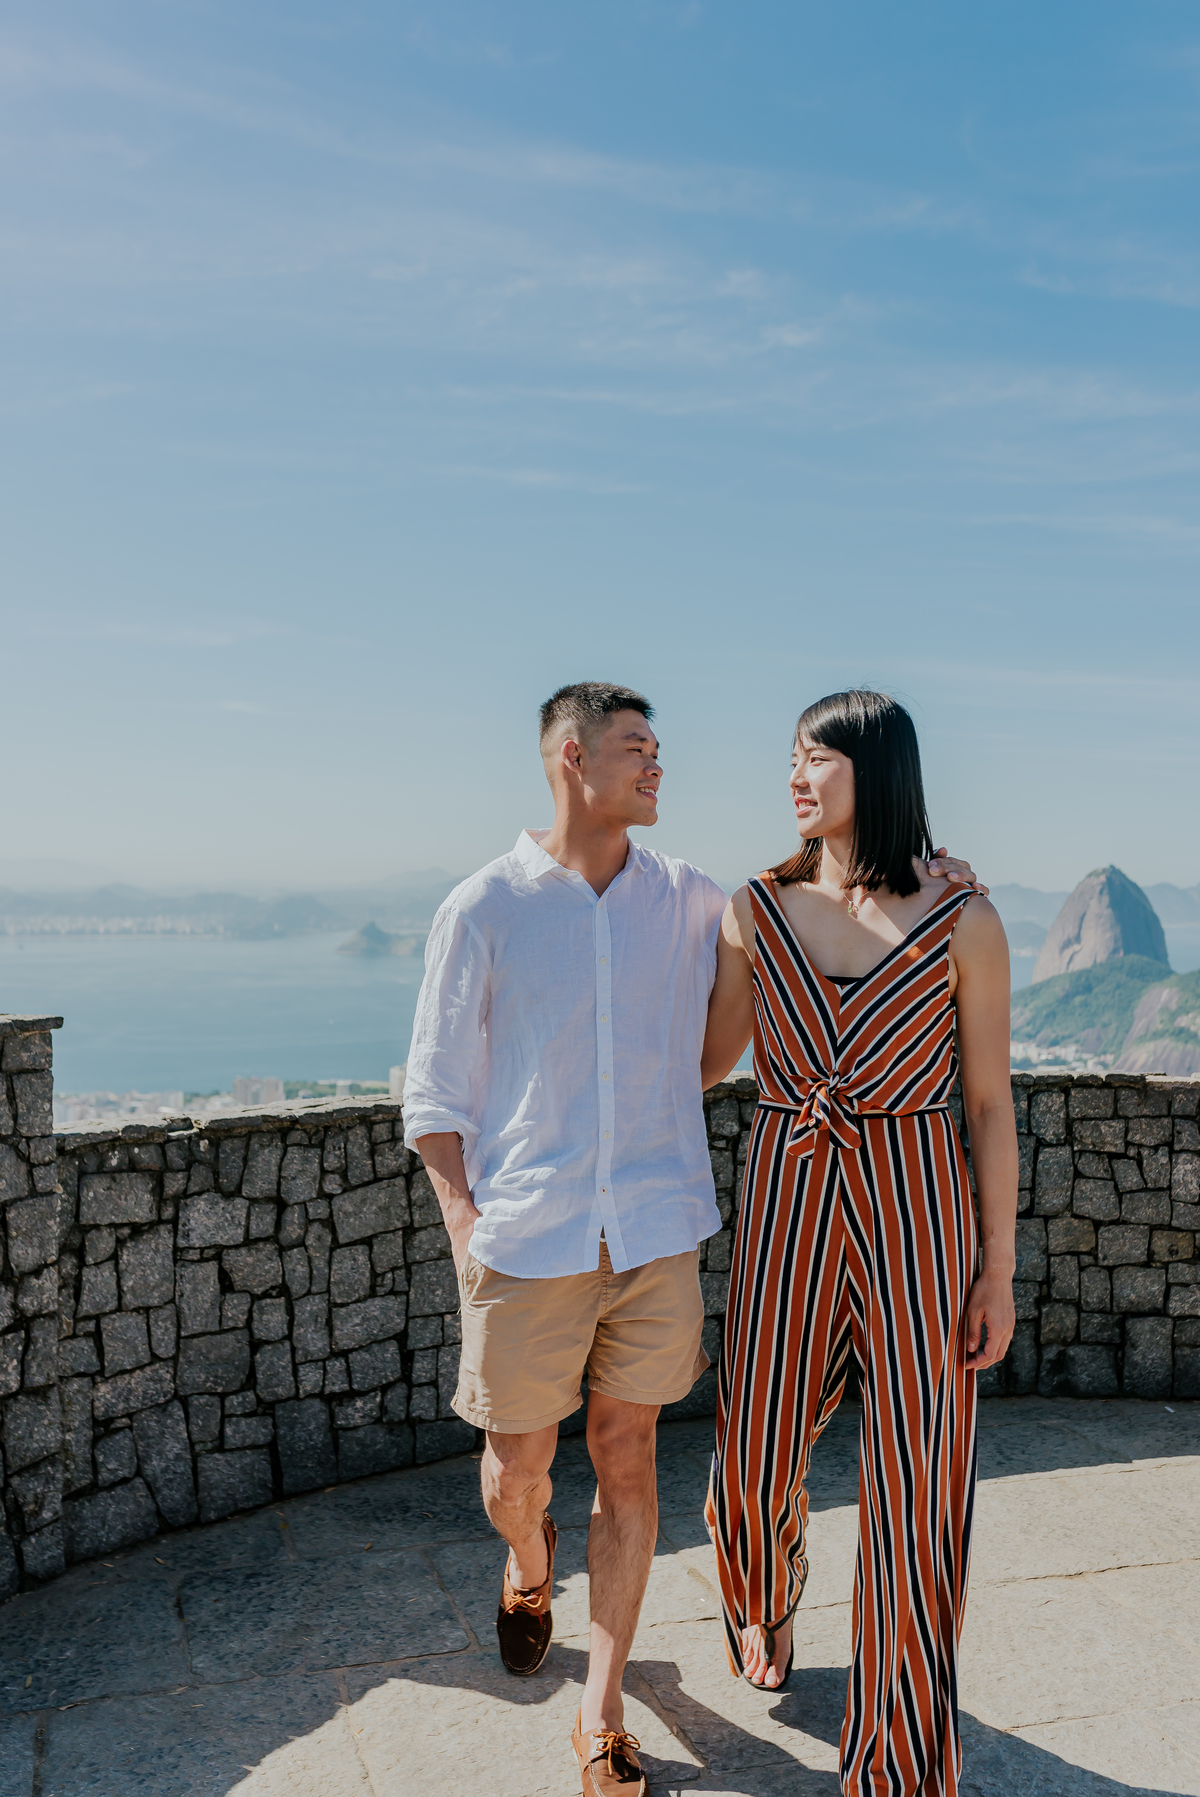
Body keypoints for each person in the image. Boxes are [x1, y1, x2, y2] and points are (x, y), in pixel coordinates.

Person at [403, 680, 982, 1797]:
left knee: (629, 1459)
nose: (659, 767)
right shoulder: (482, 908)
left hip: (659, 1231)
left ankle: (603, 1709)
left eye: (660, 749)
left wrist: (935, 870)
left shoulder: (691, 898)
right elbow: (433, 1097)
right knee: (519, 1472)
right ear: (572, 758)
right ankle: (529, 1568)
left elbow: (795, 953)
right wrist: (468, 1228)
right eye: (638, 750)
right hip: (529, 1242)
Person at [699, 689, 1016, 1797]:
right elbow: (705, 1062)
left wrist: (997, 1270)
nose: (795, 776)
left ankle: (899, 1763)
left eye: (816, 757)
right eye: (789, 757)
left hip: (919, 1205)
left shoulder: (964, 922)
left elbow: (987, 1108)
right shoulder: (753, 910)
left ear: (874, 774)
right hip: (790, 1195)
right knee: (750, 1459)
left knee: (918, 1487)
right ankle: (761, 1594)